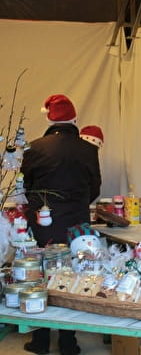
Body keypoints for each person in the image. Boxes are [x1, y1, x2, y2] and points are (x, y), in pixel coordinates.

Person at [21, 94, 102, 355]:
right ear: (74, 119)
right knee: (73, 277)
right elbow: (94, 188)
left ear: (49, 118)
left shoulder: (34, 148)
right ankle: (69, 341)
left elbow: (27, 187)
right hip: (76, 226)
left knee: (41, 277)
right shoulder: (88, 149)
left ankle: (41, 340)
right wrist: (76, 205)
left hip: (43, 224)